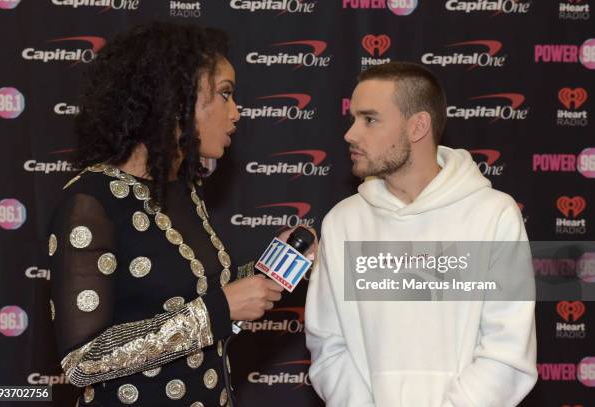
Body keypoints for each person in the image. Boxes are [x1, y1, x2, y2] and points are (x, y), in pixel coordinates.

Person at [48, 22, 284, 406]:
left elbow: (196, 294)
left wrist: (270, 267)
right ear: (177, 101)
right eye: (225, 94)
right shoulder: (91, 201)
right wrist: (218, 312)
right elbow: (82, 361)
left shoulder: (184, 188)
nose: (236, 113)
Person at [304, 62, 537, 406]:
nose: (350, 134)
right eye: (353, 119)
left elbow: (507, 353)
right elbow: (329, 347)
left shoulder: (493, 215)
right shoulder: (342, 222)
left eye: (369, 119)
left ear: (418, 126)